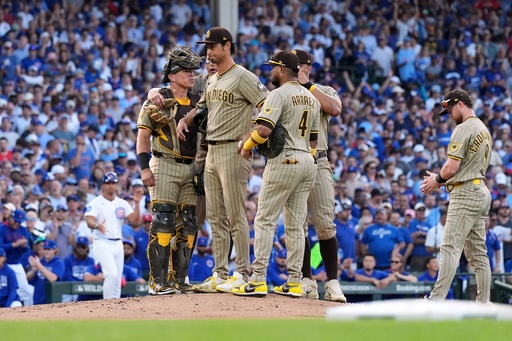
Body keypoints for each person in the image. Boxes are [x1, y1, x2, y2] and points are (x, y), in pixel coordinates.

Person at [176, 27, 269, 293]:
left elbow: (268, 106)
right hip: (212, 150)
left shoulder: (243, 76)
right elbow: (202, 106)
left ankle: (242, 272)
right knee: (215, 217)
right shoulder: (214, 79)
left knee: (236, 214)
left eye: (213, 46)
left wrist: (252, 131)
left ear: (227, 46)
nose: (208, 50)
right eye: (207, 46)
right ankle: (220, 272)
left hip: (233, 150)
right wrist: (186, 118)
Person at [232, 50, 319, 297]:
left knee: (265, 219)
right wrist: (307, 160)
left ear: (282, 69)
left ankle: (258, 278)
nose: (271, 71)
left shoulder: (278, 94)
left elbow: (263, 130)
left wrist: (246, 146)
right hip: (306, 160)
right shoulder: (310, 97)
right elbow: (314, 139)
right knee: (295, 225)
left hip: (285, 159)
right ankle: (294, 280)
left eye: (273, 67)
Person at [137, 45, 203, 294]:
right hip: (163, 163)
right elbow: (143, 138)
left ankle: (179, 279)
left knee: (188, 225)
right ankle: (158, 282)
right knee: (163, 221)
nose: (191, 74)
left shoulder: (199, 101)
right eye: (185, 71)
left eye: (192, 71)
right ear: (172, 75)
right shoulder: (156, 99)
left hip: (191, 167)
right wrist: (144, 169)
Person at [420, 89, 492, 303]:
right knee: (478, 254)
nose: (449, 115)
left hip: (466, 193)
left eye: (450, 109)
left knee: (450, 246)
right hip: (480, 190)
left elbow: (451, 167)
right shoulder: (482, 128)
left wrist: (437, 181)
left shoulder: (464, 128)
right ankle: (484, 303)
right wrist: (443, 179)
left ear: (460, 103)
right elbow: (464, 169)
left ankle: (436, 299)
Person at [291, 49, 346, 303]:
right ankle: (306, 280)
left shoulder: (322, 89)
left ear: (308, 67)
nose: (293, 67)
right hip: (291, 160)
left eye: (298, 64)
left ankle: (332, 282)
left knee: (325, 224)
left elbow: (335, 109)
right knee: (297, 224)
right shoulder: (282, 92)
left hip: (319, 160)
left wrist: (308, 86)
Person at [84, 172, 142, 300]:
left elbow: (136, 222)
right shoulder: (96, 202)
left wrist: (137, 203)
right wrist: (96, 225)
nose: (111, 186)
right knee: (111, 274)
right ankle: (107, 304)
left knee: (117, 278)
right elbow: (89, 220)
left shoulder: (122, 203)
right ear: (103, 185)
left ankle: (115, 306)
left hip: (118, 242)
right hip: (102, 242)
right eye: (108, 183)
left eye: (113, 183)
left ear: (117, 185)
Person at [0, 209, 34, 306]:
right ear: (10, 218)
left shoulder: (22, 230)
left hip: (16, 263)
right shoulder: (2, 228)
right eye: (15, 221)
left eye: (19, 222)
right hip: (3, 264)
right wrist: (15, 244)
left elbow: (27, 249)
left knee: (27, 293)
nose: (17, 224)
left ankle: (29, 317)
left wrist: (23, 246)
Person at [26, 239, 65, 305]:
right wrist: (34, 270)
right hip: (38, 297)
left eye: (48, 249)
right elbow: (27, 278)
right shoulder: (40, 261)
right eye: (45, 249)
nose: (46, 252)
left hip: (52, 298)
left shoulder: (59, 262)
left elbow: (53, 279)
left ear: (54, 250)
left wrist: (39, 266)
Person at [62, 236, 95, 302]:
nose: (81, 249)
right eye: (79, 246)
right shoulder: (68, 260)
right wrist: (79, 286)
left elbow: (93, 276)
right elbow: (67, 277)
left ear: (87, 248)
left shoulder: (91, 261)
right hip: (71, 289)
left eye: (83, 247)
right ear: (76, 247)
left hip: (87, 289)